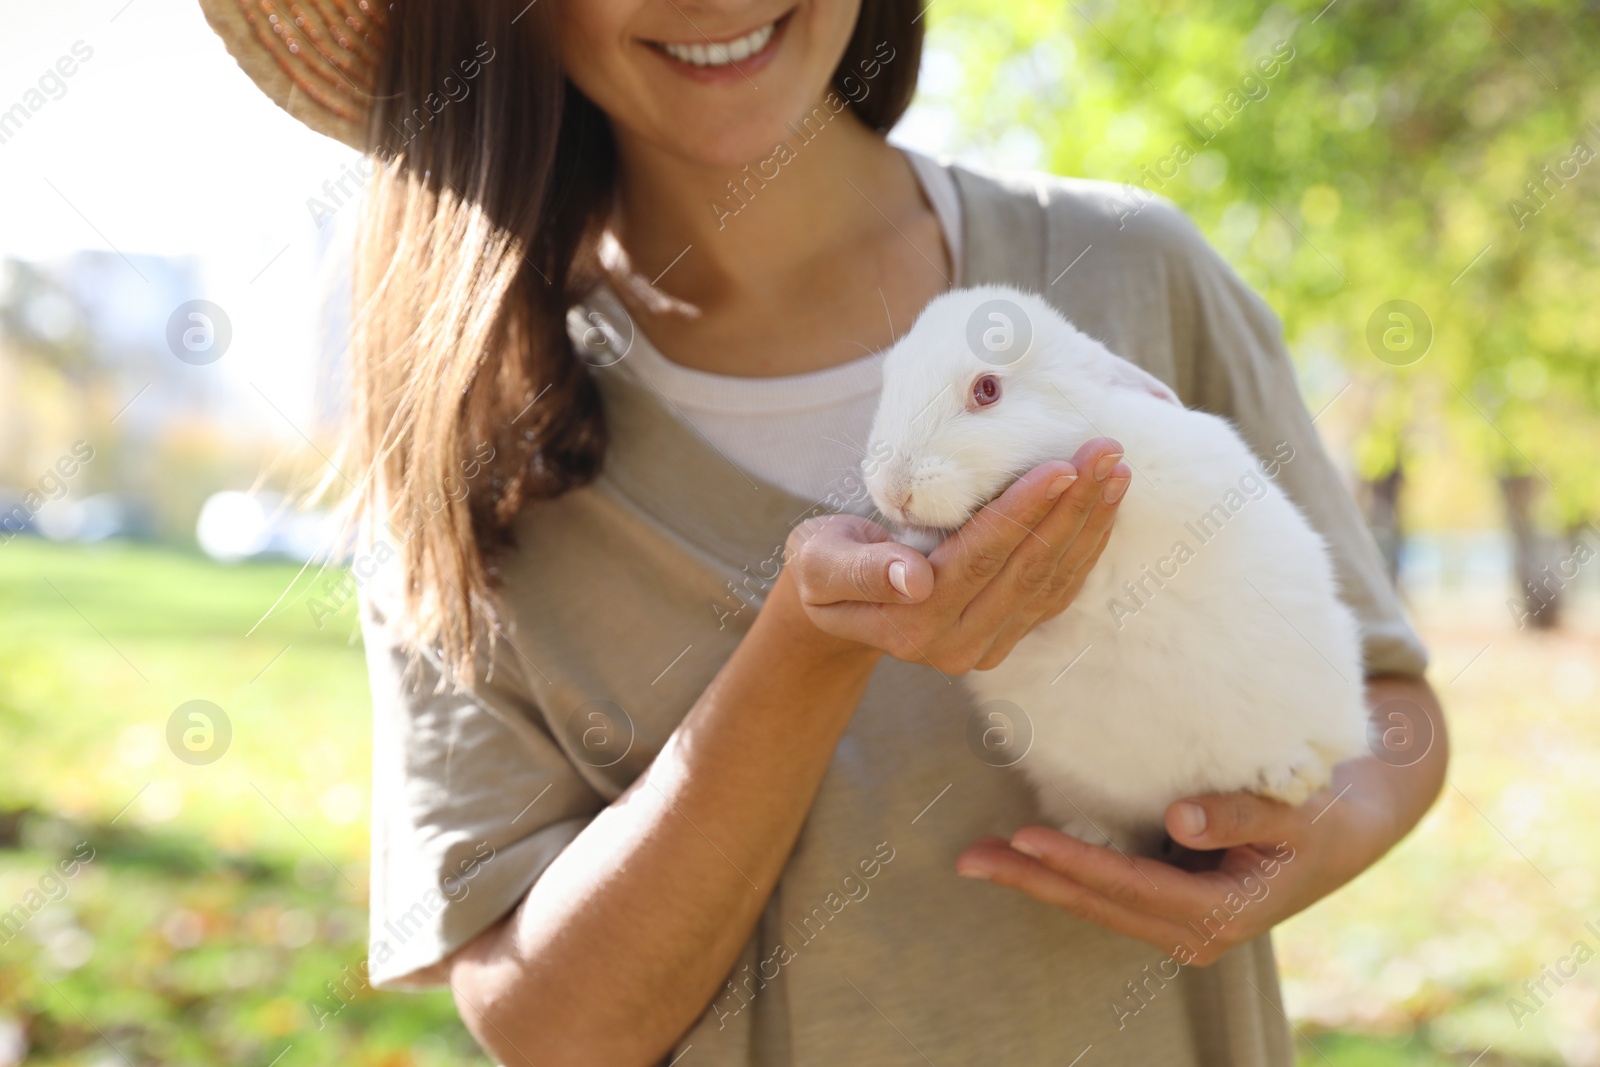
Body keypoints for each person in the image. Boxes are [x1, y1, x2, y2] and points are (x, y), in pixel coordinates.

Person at [198, 1, 1447, 1064]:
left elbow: (1388, 706)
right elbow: (546, 1021)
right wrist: (803, 654)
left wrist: (1309, 835)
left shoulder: (1130, 272)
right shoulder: (465, 435)